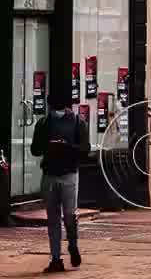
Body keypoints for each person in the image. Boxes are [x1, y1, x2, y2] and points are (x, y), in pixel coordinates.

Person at [30, 89, 88, 273]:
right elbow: (35, 149)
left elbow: (84, 149)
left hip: (66, 174)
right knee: (57, 218)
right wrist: (49, 145)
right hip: (53, 174)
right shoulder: (44, 123)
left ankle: (71, 246)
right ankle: (56, 258)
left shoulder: (77, 122)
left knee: (66, 216)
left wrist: (65, 147)